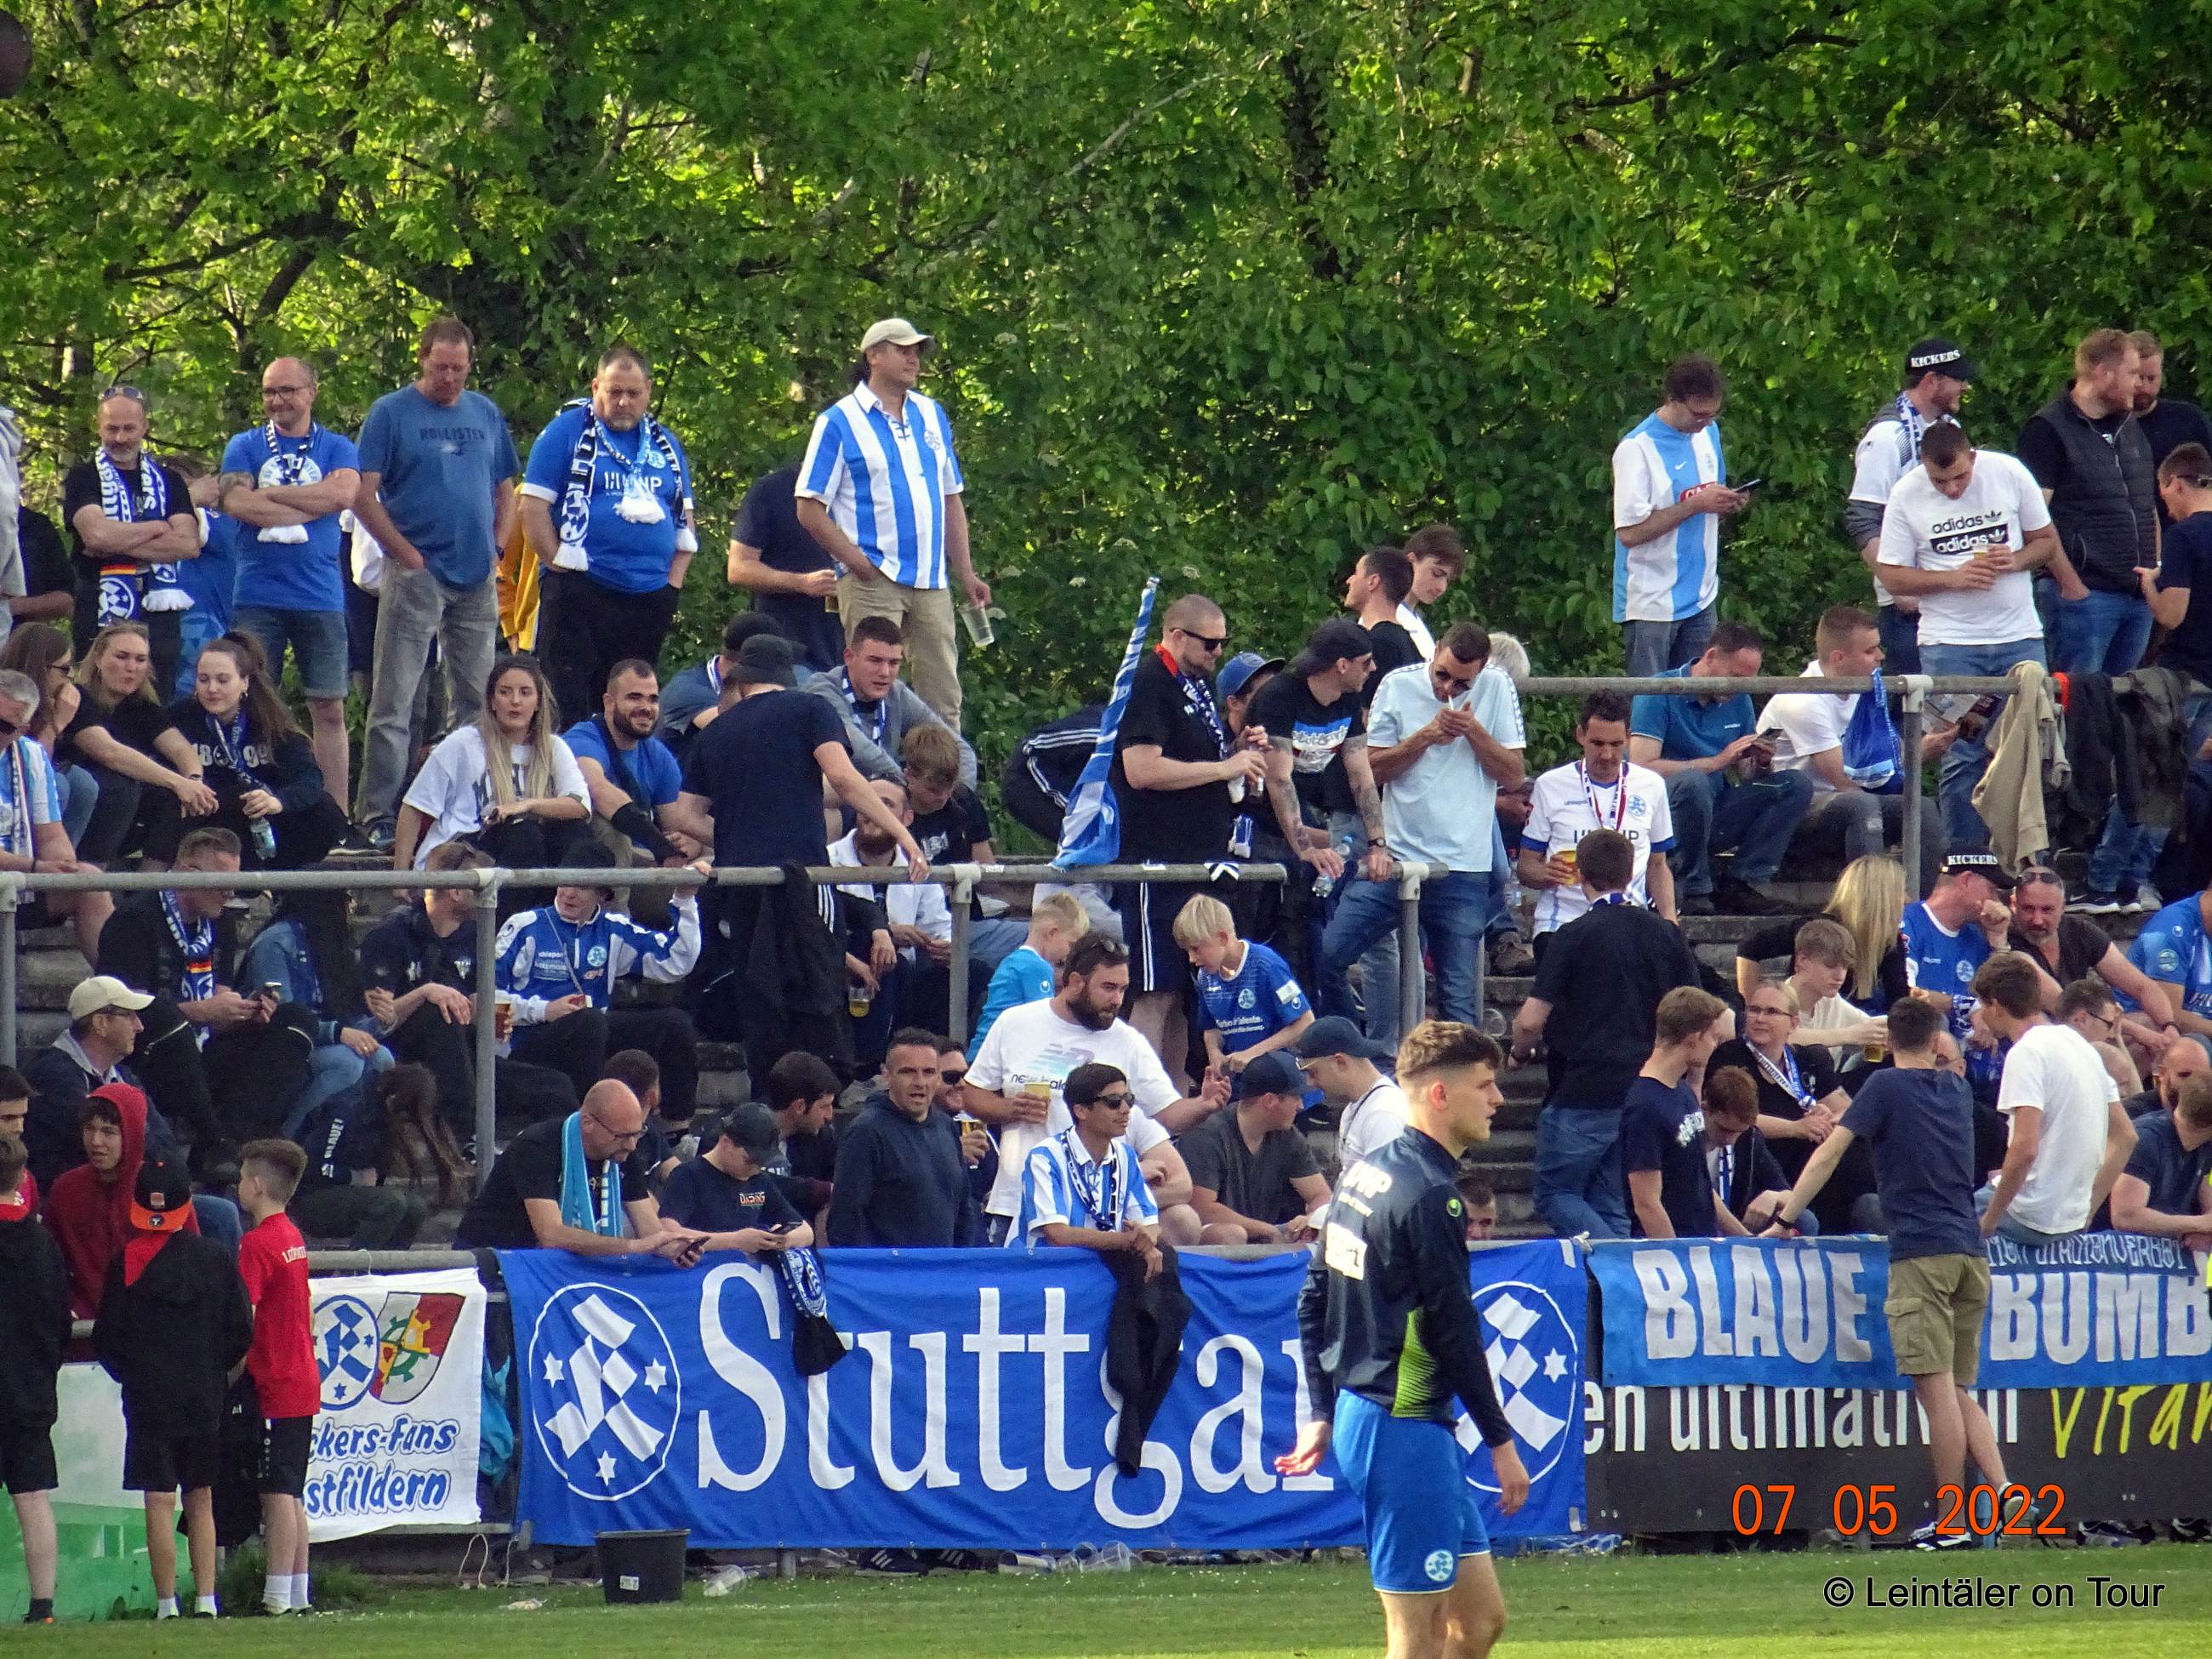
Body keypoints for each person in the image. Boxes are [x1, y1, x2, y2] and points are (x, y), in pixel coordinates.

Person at [1750, 994, 2036, 1548]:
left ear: (1888, 1041)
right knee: (1959, 1389)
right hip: (1970, 1253)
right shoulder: (1956, 1089)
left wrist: (1787, 1217)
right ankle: (2004, 1491)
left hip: (1922, 1253)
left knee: (1937, 1394)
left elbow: (1830, 1152)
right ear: (1935, 1040)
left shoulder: (1883, 1086)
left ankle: (1951, 1522)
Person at [1279, 1021, 1525, 1659]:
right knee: (1416, 1637)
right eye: (1484, 1085)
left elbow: (1312, 1299)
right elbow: (1452, 1332)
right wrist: (1501, 1443)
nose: (1498, 1099)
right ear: (1439, 1095)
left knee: (1479, 1622)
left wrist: (1322, 1411)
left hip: (1385, 1417)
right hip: (1401, 1424)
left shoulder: (1365, 1175)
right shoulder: (1432, 1198)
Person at [351, 316, 517, 842]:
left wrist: (498, 546)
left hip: (476, 574)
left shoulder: (484, 412)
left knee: (476, 698)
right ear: (422, 359)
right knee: (396, 698)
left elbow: (506, 486)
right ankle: (378, 814)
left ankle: (463, 808)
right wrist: (402, 552)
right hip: (417, 570)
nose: (449, 378)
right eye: (440, 367)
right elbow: (362, 493)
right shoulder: (391, 412)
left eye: (459, 368)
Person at [1324, 622, 1524, 1026]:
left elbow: (1514, 776)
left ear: (1482, 669)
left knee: (1459, 1004)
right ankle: (1361, 1048)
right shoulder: (1398, 684)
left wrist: (1473, 731)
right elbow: (1371, 770)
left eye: (1463, 683)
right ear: (1435, 651)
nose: (1448, 688)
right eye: (1442, 674)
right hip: (1398, 859)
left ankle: (1452, 1068)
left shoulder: (1498, 685)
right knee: (1327, 954)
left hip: (1464, 867)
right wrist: (1427, 736)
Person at [1873, 422, 2061, 851]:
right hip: (1950, 644)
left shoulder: (2007, 472)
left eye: (1960, 477)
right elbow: (1891, 575)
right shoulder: (1906, 493)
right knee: (1962, 751)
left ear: (1973, 457)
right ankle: (1964, 860)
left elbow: (2047, 542)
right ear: (1924, 467)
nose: (1952, 488)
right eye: (1940, 481)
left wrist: (2015, 561)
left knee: (2028, 747)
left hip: (2019, 637)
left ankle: (2025, 856)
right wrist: (1952, 578)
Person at [964, 936, 1223, 1242]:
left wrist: (1203, 1105)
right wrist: (1008, 1108)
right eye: (1108, 988)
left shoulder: (1127, 1041)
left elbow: (1167, 1114)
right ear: (1075, 982)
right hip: (1018, 1200)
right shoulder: (1015, 1023)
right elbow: (972, 1094)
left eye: (1123, 989)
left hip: (1097, 1212)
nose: (1117, 1000)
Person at [1510, 829, 1702, 1239]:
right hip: (1647, 1089)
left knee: (1555, 1193)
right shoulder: (1666, 934)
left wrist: (1520, 1053)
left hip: (1586, 1089)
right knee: (1611, 1201)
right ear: (1632, 872)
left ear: (1580, 874)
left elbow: (1529, 1021)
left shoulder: (1572, 934)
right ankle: (1612, 1275)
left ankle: (1613, 1257)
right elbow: (1699, 1011)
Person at [795, 318, 989, 723]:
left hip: (931, 579)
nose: (913, 359)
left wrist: (966, 573)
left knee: (943, 694)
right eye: (902, 350)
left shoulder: (931, 414)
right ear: (873, 355)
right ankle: (866, 762)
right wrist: (857, 562)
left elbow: (950, 497)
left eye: (917, 351)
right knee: (869, 689)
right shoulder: (838, 421)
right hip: (873, 578)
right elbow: (808, 507)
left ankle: (945, 765)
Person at [1108, 593, 1269, 1066]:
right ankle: (1129, 1090)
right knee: (1154, 991)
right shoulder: (1149, 682)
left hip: (1199, 859)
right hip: (1157, 862)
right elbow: (1142, 769)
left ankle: (1172, 1093)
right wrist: (1223, 768)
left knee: (1183, 991)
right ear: (1177, 637)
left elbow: (1195, 762)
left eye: (1223, 643)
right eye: (1210, 644)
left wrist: (1237, 751)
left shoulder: (1194, 686)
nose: (1218, 653)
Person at [92, 1151, 252, 1619]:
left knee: (158, 1500)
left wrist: (135, 1376)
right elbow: (240, 1330)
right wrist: (213, 1373)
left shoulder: (126, 1262)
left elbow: (107, 1339)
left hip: (148, 1399)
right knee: (200, 1497)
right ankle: (207, 1600)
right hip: (203, 1396)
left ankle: (166, 1605)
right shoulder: (216, 1259)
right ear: (187, 1206)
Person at [98, 828, 325, 1155]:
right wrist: (203, 1011)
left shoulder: (221, 923)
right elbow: (126, 1013)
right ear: (187, 873)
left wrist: (243, 1011)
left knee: (296, 1020)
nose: (229, 893)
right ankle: (215, 1141)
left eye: (235, 882)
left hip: (204, 1047)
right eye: (221, 882)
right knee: (169, 1020)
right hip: (149, 1054)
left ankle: (228, 1140)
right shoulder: (135, 919)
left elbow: (219, 999)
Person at [517, 345, 698, 732]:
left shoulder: (665, 443)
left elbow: (685, 519)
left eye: (633, 393)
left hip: (649, 596)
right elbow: (531, 508)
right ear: (596, 386)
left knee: (629, 708)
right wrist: (560, 567)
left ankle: (618, 772)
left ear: (648, 390)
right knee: (564, 705)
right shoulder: (565, 432)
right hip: (582, 589)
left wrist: (672, 585)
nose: (623, 402)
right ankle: (565, 770)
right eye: (614, 391)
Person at [360, 840, 576, 1147]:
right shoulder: (390, 935)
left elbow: (474, 999)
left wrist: (493, 1016)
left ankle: (558, 1156)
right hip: (409, 1059)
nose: (490, 893)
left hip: (466, 1056)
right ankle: (465, 1139)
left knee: (556, 1087)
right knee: (439, 1012)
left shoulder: (474, 934)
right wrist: (426, 993)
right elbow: (377, 1022)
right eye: (481, 885)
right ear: (456, 891)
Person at [216, 357, 361, 807]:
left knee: (329, 707)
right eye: (269, 392)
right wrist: (310, 504)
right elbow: (236, 504)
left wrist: (270, 495)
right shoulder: (244, 445)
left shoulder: (336, 447)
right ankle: (257, 801)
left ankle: (334, 813)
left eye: (288, 390)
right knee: (253, 705)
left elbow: (343, 494)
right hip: (256, 595)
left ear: (312, 392)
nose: (277, 400)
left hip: (320, 595)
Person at [495, 842, 707, 1117]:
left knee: (673, 1024)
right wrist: (544, 1010)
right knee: (590, 1022)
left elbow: (675, 961)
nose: (569, 892)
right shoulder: (524, 925)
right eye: (564, 881)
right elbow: (485, 996)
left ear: (602, 893)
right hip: (530, 1039)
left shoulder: (613, 929)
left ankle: (677, 1128)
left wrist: (685, 898)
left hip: (593, 1033)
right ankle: (586, 1123)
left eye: (582, 886)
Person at [1759, 605, 1947, 892]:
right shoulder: (1804, 699)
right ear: (1838, 658)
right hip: (1795, 811)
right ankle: (1873, 903)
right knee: (1861, 803)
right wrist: (1914, 755)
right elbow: (1845, 781)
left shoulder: (1865, 690)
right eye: (1870, 651)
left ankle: (1922, 904)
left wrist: (1931, 743)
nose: (1881, 657)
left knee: (1923, 807)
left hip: (1844, 804)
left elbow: (1889, 757)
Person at [1627, 620, 1808, 916]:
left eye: (1747, 681)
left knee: (1795, 785)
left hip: (1717, 809)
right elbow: (1640, 768)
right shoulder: (1658, 691)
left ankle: (1745, 881)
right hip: (1666, 817)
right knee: (1693, 782)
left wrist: (1760, 762)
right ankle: (1693, 885)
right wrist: (1717, 762)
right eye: (1735, 677)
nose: (1739, 687)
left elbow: (1746, 775)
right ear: (1711, 657)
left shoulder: (1740, 699)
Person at [2099, 440, 2212, 909]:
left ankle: (2104, 880)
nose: (2164, 504)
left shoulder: (2185, 537)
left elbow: (2171, 614)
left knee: (2145, 779)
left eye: (2163, 492)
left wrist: (2151, 584)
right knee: (2176, 782)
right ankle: (2140, 879)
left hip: (2180, 678)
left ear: (2175, 483)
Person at [2016, 328, 2158, 675]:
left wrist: (2155, 569)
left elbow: (2146, 503)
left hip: (2138, 595)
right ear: (2103, 372)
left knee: (2124, 700)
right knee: (2077, 698)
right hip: (2084, 595)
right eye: (2132, 374)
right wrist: (2070, 583)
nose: (2138, 384)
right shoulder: (2048, 429)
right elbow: (2034, 520)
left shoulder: (2129, 425)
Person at [1972, 951, 2135, 1244]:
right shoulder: (2084, 1047)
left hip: (2027, 1216)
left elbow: (2025, 1149)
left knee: (1938, 1227)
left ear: (1995, 1006)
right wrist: (2086, 1211)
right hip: (2070, 1220)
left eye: (1983, 1006)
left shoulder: (2026, 1052)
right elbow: (2126, 1137)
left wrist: (1990, 1220)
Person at [154, 632, 349, 869]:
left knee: (324, 811)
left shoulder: (270, 718)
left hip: (263, 814)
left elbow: (310, 778)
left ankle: (282, 879)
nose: (212, 689)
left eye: (223, 680)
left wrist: (278, 801)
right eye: (203, 680)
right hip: (208, 814)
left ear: (244, 682)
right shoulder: (179, 717)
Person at [456, 1079, 704, 1257]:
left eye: (636, 1134)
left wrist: (673, 1249)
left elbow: (649, 1228)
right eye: (621, 1136)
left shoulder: (623, 1151)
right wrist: (631, 1247)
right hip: (495, 1255)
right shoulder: (537, 1145)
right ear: (587, 1123)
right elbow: (551, 1234)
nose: (631, 1145)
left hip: (550, 1264)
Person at [1611, 353, 1746, 676]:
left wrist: (1727, 503)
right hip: (1652, 604)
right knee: (1651, 697)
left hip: (1701, 597)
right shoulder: (1637, 449)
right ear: (1673, 399)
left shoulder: (1708, 434)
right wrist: (1696, 504)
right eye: (1699, 414)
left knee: (1699, 695)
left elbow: (1711, 500)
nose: (1706, 423)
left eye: (1713, 414)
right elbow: (1629, 533)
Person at [1846, 338, 1975, 673]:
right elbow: (1862, 518)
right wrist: (1898, 587)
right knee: (1916, 699)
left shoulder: (1949, 429)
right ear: (1932, 380)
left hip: (1954, 597)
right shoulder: (1889, 436)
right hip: (1909, 608)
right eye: (1958, 379)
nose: (1965, 386)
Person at [1708, 981, 1878, 1235]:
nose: (1759, 1018)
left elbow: (1848, 1110)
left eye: (1771, 1012)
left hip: (1810, 1166)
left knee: (1857, 1156)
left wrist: (1828, 1119)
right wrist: (1796, 1128)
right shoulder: (1729, 1056)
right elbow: (1732, 1117)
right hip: (1764, 1165)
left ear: (1793, 1023)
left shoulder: (1809, 1059)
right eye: (1754, 1010)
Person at [396, 653, 592, 871]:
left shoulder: (554, 746)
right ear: (492, 701)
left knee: (580, 837)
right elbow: (414, 807)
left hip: (528, 845)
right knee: (524, 834)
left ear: (538, 702)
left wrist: (527, 805)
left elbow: (580, 806)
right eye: (504, 692)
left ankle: (571, 893)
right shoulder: (463, 743)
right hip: (466, 848)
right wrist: (401, 878)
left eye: (525, 692)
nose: (515, 701)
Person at [61, 389, 198, 693]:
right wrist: (158, 527)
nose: (120, 438)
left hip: (159, 613)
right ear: (98, 426)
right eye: (112, 428)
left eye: (129, 428)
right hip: (99, 605)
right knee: (95, 697)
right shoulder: (84, 477)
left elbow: (188, 544)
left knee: (157, 699)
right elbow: (96, 536)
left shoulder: (169, 481)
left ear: (145, 427)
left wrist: (116, 539)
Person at [233, 1139, 317, 1617]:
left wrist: (231, 1369)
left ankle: (277, 1596)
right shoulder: (292, 1236)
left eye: (243, 1177)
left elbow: (244, 1316)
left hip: (274, 1382)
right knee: (292, 1491)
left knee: (277, 1493)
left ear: (257, 1185)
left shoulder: (257, 1243)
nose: (238, 1186)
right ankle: (299, 1592)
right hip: (300, 1376)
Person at [240, 887, 394, 1144]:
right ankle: (284, 1141)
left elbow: (348, 1019)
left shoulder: (334, 943)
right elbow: (281, 1017)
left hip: (325, 1044)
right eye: (348, 897)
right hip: (275, 1048)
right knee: (347, 1062)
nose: (353, 905)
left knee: (382, 1057)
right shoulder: (276, 942)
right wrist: (337, 1033)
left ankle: (342, 1145)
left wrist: (380, 1020)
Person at [1518, 690, 1677, 936]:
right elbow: (1526, 867)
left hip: (1628, 924)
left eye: (1616, 744)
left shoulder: (1651, 785)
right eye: (1597, 743)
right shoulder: (1550, 785)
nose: (1607, 755)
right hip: (1563, 924)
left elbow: (1658, 865)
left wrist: (1670, 921)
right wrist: (1545, 873)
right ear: (1580, 736)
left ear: (1628, 738)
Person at [830, 779, 966, 1056]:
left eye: (885, 804)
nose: (873, 811)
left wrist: (945, 948)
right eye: (867, 802)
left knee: (971, 971)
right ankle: (867, 1062)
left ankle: (940, 1063)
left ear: (907, 818)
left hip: (908, 979)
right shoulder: (829, 860)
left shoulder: (918, 866)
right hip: (845, 972)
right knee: (879, 955)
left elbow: (940, 927)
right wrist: (888, 933)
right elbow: (824, 923)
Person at [60, 621, 206, 869]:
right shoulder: (76, 696)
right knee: (122, 788)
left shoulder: (143, 707)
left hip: (121, 813)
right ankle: (93, 878)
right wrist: (178, 782)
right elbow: (109, 752)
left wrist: (194, 781)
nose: (131, 667)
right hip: (75, 800)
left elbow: (180, 748)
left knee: (173, 797)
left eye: (140, 660)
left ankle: (150, 884)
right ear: (98, 658)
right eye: (122, 657)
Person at [0, 1131, 69, 1626]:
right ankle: (42, 1607)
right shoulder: (44, 1245)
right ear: (23, 1177)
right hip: (29, 1388)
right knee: (33, 1498)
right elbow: (60, 1321)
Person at [829, 1031, 987, 1246]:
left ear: (938, 1077)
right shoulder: (865, 1132)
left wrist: (959, 1263)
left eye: (928, 1072)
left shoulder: (946, 1126)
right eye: (908, 1072)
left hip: (944, 1266)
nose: (920, 1082)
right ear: (886, 1076)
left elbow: (963, 1212)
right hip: (889, 1267)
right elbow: (845, 1223)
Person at [1006, 1061, 1163, 1277]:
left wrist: (1145, 1242)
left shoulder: (1126, 1156)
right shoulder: (1045, 1156)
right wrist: (1125, 1241)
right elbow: (1057, 1235)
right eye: (1114, 1102)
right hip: (1040, 1273)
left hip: (1099, 1272)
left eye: (1128, 1099)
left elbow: (1150, 1224)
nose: (1126, 1109)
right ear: (1081, 1111)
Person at [563, 658, 712, 879]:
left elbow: (680, 820)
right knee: (611, 832)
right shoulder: (582, 739)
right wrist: (660, 845)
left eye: (653, 699)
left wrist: (693, 843)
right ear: (609, 702)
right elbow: (599, 792)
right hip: (598, 859)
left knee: (713, 858)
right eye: (634, 697)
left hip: (648, 858)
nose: (646, 708)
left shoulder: (657, 753)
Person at [1902, 851, 2032, 1099]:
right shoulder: (1910, 923)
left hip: (1983, 1075)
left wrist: (1998, 941)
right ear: (1966, 880)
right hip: (1928, 1072)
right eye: (1992, 890)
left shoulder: (1977, 936)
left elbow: (2006, 1002)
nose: (1996, 900)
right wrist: (1969, 1008)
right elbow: (1907, 994)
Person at [2009, 866, 2175, 1057]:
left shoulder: (2080, 931)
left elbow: (2142, 987)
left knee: (2152, 1022)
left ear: (2063, 907)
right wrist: (2138, 1032)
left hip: (2086, 1026)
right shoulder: (2008, 943)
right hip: (2042, 1039)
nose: (2037, 920)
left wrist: (2169, 1027)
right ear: (2014, 905)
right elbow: (2064, 1006)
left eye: (2047, 910)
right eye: (2028, 909)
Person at [798, 614, 978, 788]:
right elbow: (858, 749)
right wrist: (907, 787)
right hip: (829, 793)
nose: (885, 672)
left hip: (888, 793)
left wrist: (956, 797)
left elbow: (961, 751)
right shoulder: (822, 691)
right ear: (849, 657)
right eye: (875, 661)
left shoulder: (897, 693)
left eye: (893, 663)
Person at [0, 664, 105, 961]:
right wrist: (36, 867)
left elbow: (52, 835)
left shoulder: (30, 754)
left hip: (20, 881)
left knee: (91, 882)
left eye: (3, 726)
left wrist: (63, 865)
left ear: (22, 730)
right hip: (20, 873)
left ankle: (117, 986)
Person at [901, 722, 1024, 971]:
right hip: (915, 931)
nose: (942, 797)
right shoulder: (893, 809)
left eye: (948, 789)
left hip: (968, 924)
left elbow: (989, 874)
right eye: (932, 789)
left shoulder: (963, 801)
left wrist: (969, 877)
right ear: (909, 775)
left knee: (1042, 939)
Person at [21, 978, 162, 1193]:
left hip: (123, 1190)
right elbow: (94, 1143)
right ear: (101, 1023)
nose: (139, 1026)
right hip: (72, 1197)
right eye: (129, 1016)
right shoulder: (54, 1074)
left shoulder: (124, 1075)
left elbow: (162, 1137)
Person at [1622, 987, 1740, 1239]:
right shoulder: (1644, 1107)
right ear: (1694, 1039)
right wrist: (1676, 1256)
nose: (1715, 1046)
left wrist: (1745, 1236)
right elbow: (1647, 1204)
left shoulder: (1683, 1091)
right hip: (1672, 1250)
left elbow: (1700, 1184)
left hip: (1700, 1240)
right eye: (1713, 1038)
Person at [1178, 1050, 1330, 1245]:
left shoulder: (1287, 1134)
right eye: (1296, 1097)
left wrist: (1310, 1220)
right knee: (1232, 1235)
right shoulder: (1207, 1135)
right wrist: (1267, 1230)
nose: (1301, 1106)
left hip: (1267, 1235)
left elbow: (1321, 1195)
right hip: (1203, 1242)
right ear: (1269, 1100)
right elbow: (1202, 1208)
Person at [1733, 854, 1910, 1016]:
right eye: (1900, 893)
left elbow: (1898, 1001)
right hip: (1805, 1019)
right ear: (1880, 899)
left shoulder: (1889, 941)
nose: (1906, 900)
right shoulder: (1818, 929)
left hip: (1853, 1021)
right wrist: (1754, 1010)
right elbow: (1750, 948)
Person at [290, 1064, 444, 1251]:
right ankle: (356, 1266)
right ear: (393, 1098)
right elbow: (313, 1164)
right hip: (312, 1197)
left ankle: (387, 1265)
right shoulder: (346, 1109)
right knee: (391, 1202)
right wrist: (355, 1177)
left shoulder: (383, 1119)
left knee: (415, 1208)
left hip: (352, 1196)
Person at [1177, 892, 1315, 1085]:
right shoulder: (1206, 977)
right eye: (1187, 951)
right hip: (1243, 1085)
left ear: (1222, 938)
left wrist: (1254, 1053)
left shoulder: (1266, 964)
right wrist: (1215, 1054)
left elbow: (1305, 1021)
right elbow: (1211, 1027)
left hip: (1285, 1082)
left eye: (1196, 949)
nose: (1192, 958)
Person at [727, 460, 843, 675]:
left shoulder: (866, 495)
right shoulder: (772, 490)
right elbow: (738, 568)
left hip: (852, 653)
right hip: (789, 652)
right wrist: (802, 583)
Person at [658, 1104, 814, 1254]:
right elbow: (668, 1232)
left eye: (762, 1162)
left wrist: (784, 1240)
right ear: (726, 1143)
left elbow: (805, 1231)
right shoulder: (688, 1175)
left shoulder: (759, 1180)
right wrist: (734, 1240)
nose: (756, 1168)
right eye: (750, 1161)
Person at [2, 622, 96, 851]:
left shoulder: (58, 697)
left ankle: (61, 862)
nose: (70, 676)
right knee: (58, 785)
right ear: (41, 668)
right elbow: (30, 762)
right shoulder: (9, 699)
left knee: (84, 782)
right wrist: (57, 723)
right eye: (64, 669)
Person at [972, 890, 1088, 1050]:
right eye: (1071, 944)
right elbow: (1047, 1023)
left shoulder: (1014, 960)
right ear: (1052, 933)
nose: (1071, 953)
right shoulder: (1037, 966)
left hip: (985, 1049)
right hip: (997, 1053)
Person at [1296, 1015, 1411, 1173]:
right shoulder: (1361, 1104)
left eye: (1313, 1072)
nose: (1310, 1082)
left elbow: (1389, 1186)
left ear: (1340, 1062)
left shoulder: (1383, 1114)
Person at [2110, 1070, 2212, 1243]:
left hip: (2165, 1251)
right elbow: (2125, 1217)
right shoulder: (2147, 1140)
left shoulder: (2203, 1144)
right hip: (2119, 1250)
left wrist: (2205, 1231)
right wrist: (2198, 1224)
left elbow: (2202, 1186)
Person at [1701, 1067, 1803, 1234]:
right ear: (1704, 1110)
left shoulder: (1750, 1138)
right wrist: (1747, 1240)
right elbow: (1704, 1195)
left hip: (1739, 1224)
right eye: (1724, 1130)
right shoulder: (1687, 1140)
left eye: (1738, 1132)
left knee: (1804, 1220)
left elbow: (1790, 1196)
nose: (1731, 1140)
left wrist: (1773, 1197)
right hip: (1696, 1223)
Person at [760, 1050, 841, 1219]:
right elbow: (750, 1184)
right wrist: (815, 1190)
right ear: (799, 1107)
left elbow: (842, 1184)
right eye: (823, 1107)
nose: (829, 1116)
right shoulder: (737, 1132)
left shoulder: (822, 1137)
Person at [1343, 546, 1423, 680]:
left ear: (1373, 582)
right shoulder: (1409, 645)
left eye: (1356, 573)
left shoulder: (1379, 644)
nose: (1349, 581)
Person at [1395, 523, 1465, 662]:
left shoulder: (1416, 622)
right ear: (1411, 560)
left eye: (1447, 580)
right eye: (1436, 574)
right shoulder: (1387, 618)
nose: (1442, 588)